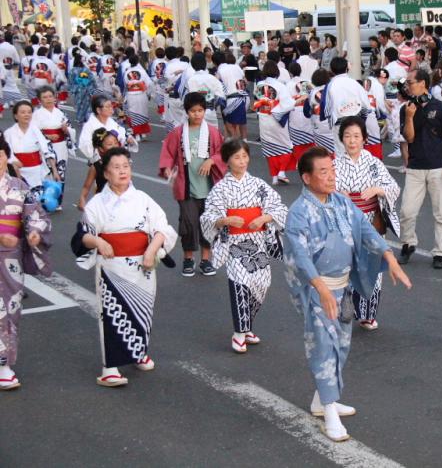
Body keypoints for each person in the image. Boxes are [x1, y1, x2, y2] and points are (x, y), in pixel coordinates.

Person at [283, 147, 411, 442]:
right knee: (324, 347)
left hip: (343, 287)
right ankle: (329, 412)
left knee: (341, 345)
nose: (331, 176)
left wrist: (389, 257)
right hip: (320, 289)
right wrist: (320, 289)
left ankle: (322, 399)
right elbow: (300, 256)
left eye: (332, 170)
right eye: (323, 172)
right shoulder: (299, 213)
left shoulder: (341, 201)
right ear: (307, 177)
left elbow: (365, 231)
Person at [74, 147, 178, 387]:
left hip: (143, 264)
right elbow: (82, 236)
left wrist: (152, 250)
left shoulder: (143, 199)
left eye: (126, 166)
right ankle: (109, 367)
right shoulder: (97, 203)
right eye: (116, 168)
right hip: (112, 267)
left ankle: (138, 351)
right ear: (106, 174)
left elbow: (163, 228)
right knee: (111, 314)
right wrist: (99, 241)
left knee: (143, 309)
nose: (122, 171)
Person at [200, 138, 288, 352]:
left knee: (262, 284)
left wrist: (265, 218)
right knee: (240, 283)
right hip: (234, 243)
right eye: (236, 157)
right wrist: (224, 221)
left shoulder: (258, 185)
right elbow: (209, 215)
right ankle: (239, 333)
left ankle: (246, 325)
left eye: (245, 156)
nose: (242, 161)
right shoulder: (221, 188)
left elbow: (280, 207)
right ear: (227, 161)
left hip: (257, 241)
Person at [334, 117, 400, 330]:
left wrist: (377, 190)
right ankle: (346, 307)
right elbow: (323, 191)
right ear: (341, 139)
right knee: (348, 266)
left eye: (356, 136)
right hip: (345, 222)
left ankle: (367, 313)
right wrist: (337, 194)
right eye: (347, 136)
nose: (352, 141)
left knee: (371, 267)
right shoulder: (335, 164)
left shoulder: (374, 163)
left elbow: (393, 187)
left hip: (371, 222)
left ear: (364, 138)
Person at [0, 135, 51, 391]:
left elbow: (36, 214)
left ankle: (4, 366)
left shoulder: (18, 186)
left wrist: (33, 232)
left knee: (10, 308)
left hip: (10, 258)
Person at [159, 92, 226, 277]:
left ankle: (206, 260)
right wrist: (166, 168)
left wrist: (212, 160)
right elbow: (168, 153)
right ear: (186, 112)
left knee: (209, 224)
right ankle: (188, 258)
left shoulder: (212, 132)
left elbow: (222, 153)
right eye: (193, 111)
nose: (197, 114)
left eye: (200, 110)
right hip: (186, 187)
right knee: (188, 224)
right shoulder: (178, 133)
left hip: (209, 187)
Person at [399, 69, 442, 269]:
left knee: (441, 212)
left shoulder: (440, 108)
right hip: (415, 166)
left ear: (422, 83)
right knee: (407, 210)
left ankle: (440, 252)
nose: (407, 86)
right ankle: (408, 243)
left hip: (438, 167)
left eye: (410, 82)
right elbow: (409, 138)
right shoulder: (405, 108)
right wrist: (409, 117)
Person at [4, 101, 60, 200]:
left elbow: (47, 150)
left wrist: (55, 171)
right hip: (18, 170)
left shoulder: (36, 131)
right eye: (23, 112)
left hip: (36, 171)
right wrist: (13, 161)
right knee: (20, 201)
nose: (27, 115)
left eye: (29, 112)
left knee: (37, 201)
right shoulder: (9, 133)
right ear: (16, 116)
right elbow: (6, 152)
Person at [255, 61, 296, 185]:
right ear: (277, 72)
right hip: (275, 118)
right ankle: (281, 172)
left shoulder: (259, 85)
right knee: (286, 146)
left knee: (269, 148)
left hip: (263, 118)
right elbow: (288, 103)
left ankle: (274, 176)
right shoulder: (280, 86)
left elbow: (257, 100)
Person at [32, 86, 73, 204]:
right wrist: (46, 136)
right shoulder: (37, 115)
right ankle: (46, 202)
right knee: (47, 173)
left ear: (55, 98)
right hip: (45, 148)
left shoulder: (60, 112)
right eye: (45, 97)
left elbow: (71, 129)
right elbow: (33, 131)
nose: (49, 99)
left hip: (60, 145)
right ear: (40, 100)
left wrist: (66, 130)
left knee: (61, 172)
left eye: (50, 96)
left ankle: (58, 201)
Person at [78, 96, 133, 161]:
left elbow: (122, 133)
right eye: (108, 106)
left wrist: (128, 138)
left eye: (111, 106)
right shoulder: (89, 125)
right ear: (98, 110)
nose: (111, 108)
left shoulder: (111, 121)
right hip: (100, 160)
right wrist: (100, 148)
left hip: (116, 158)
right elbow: (84, 144)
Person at [77, 128, 119, 211]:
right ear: (101, 149)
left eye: (116, 142)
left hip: (121, 201)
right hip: (103, 203)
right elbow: (86, 186)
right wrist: (82, 199)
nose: (114, 146)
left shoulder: (123, 162)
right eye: (110, 144)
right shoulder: (96, 166)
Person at [185, 52, 226, 129]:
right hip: (210, 113)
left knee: (196, 138)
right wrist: (212, 104)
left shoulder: (190, 80)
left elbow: (186, 99)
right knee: (212, 137)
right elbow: (221, 96)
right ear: (205, 64)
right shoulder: (212, 78)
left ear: (193, 65)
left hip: (195, 114)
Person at [217, 51, 250, 140]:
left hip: (232, 98)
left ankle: (234, 143)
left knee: (229, 123)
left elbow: (216, 82)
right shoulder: (238, 67)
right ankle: (244, 141)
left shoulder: (221, 70)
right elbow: (245, 81)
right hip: (244, 97)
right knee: (242, 122)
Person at [121, 54, 154, 140]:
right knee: (142, 113)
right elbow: (149, 83)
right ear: (138, 62)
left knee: (133, 114)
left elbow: (124, 85)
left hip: (130, 95)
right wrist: (149, 93)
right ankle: (142, 133)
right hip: (141, 94)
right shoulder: (142, 71)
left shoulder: (126, 72)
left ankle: (137, 134)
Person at [66, 54, 98, 124]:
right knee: (87, 104)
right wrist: (94, 88)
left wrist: (70, 90)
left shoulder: (72, 70)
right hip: (87, 89)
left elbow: (70, 81)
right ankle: (87, 118)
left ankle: (79, 118)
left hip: (77, 89)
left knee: (78, 104)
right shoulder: (86, 70)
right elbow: (92, 80)